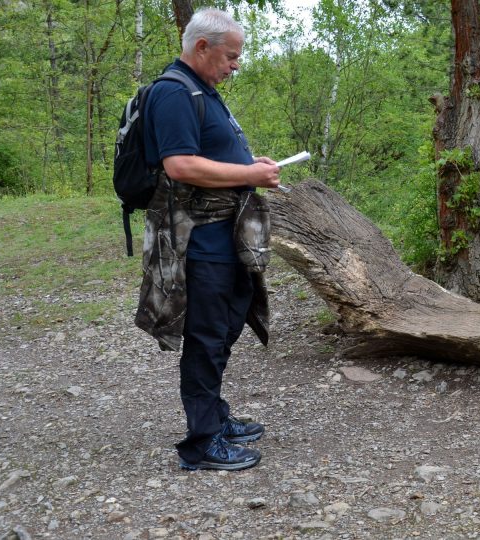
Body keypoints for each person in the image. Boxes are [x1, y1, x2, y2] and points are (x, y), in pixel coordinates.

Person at [135, 8, 280, 471]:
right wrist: (248, 173)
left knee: (227, 326)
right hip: (199, 240)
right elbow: (180, 165)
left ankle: (215, 416)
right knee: (206, 338)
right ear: (202, 47)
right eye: (231, 56)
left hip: (225, 234)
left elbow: (208, 153)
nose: (235, 65)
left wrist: (248, 163)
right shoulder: (173, 93)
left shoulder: (203, 90)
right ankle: (201, 443)